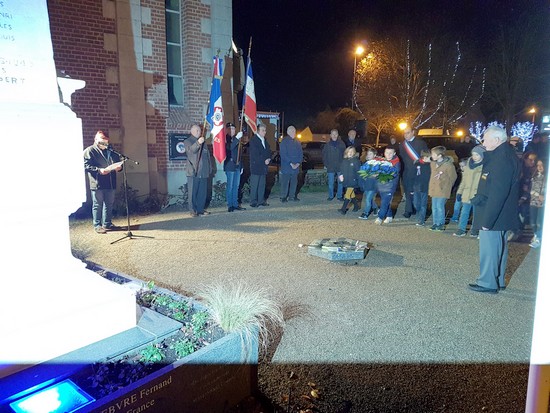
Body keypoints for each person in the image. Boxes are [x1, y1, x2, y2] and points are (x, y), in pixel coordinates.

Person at [468, 126, 521, 294]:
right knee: (499, 248)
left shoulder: (502, 159)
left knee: (490, 249)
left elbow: (498, 193)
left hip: (494, 212)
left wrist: (487, 220)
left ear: (497, 140)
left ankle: (487, 282)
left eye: (485, 139)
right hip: (501, 212)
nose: (483, 142)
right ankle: (497, 280)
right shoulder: (504, 154)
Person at [83, 130, 123, 234]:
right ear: (96, 139)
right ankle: (97, 225)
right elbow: (85, 165)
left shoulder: (110, 150)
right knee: (97, 204)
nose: (104, 142)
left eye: (106, 140)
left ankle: (107, 223)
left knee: (109, 204)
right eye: (102, 139)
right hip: (97, 182)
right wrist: (98, 170)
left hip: (110, 181)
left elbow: (117, 161)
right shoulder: (89, 151)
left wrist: (119, 168)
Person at [453, 146, 485, 237]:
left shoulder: (485, 167)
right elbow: (464, 180)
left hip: (477, 194)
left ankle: (475, 229)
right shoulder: (468, 165)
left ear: (482, 155)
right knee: (464, 212)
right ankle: (461, 229)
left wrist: (482, 194)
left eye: (477, 155)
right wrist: (459, 192)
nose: (474, 157)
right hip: (467, 193)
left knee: (476, 213)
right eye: (473, 154)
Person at [399, 126, 428, 218]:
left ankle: (417, 208)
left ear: (413, 132)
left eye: (407, 133)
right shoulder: (402, 145)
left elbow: (425, 156)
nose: (405, 135)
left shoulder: (421, 143)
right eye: (404, 133)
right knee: (408, 190)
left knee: (417, 191)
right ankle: (408, 210)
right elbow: (402, 158)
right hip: (407, 171)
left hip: (418, 171)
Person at [184, 124, 212, 217]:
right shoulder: (188, 141)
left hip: (203, 171)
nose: (199, 132)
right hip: (194, 171)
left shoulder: (204, 143)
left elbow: (207, 156)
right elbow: (191, 151)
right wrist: (198, 143)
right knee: (193, 192)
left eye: (199, 130)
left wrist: (209, 168)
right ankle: (193, 210)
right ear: (192, 131)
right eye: (197, 130)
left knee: (202, 193)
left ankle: (200, 209)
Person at [428, 145, 457, 232]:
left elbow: (453, 177)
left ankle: (441, 224)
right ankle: (435, 223)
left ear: (440, 155)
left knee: (440, 206)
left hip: (442, 190)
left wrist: (446, 185)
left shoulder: (448, 165)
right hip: (434, 189)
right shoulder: (433, 163)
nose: (432, 156)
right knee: (434, 207)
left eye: (433, 154)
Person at [374, 145, 401, 224]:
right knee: (385, 201)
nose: (388, 155)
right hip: (382, 185)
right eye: (387, 153)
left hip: (390, 186)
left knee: (385, 202)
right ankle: (389, 216)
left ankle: (380, 217)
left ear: (394, 153)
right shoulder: (382, 161)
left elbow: (394, 174)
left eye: (390, 153)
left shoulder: (396, 163)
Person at [248, 123, 272, 207]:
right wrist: (264, 160)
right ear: (258, 131)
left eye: (265, 130)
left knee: (262, 184)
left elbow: (268, 151)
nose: (265, 132)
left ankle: (261, 200)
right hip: (256, 166)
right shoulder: (254, 140)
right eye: (263, 130)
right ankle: (253, 201)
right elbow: (255, 154)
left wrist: (269, 158)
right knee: (255, 184)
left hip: (264, 166)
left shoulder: (265, 141)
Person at [223, 122, 245, 212]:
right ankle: (230, 205)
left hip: (237, 165)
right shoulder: (225, 139)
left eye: (233, 129)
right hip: (230, 165)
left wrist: (241, 166)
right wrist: (236, 138)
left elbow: (240, 153)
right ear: (227, 130)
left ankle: (235, 204)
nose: (232, 130)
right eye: (230, 129)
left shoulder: (237, 139)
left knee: (236, 186)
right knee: (230, 186)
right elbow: (230, 147)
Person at [279, 125, 303, 202]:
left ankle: (292, 196)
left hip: (296, 166)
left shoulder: (297, 142)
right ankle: (283, 197)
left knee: (294, 182)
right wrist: (291, 163)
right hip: (287, 166)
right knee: (285, 182)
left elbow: (301, 153)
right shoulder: (284, 141)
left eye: (295, 131)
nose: (294, 133)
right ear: (288, 132)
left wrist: (298, 163)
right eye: (292, 131)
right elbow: (283, 154)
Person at [322, 128, 346, 201]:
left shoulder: (342, 144)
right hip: (330, 168)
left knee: (340, 182)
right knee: (330, 183)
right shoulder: (327, 145)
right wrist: (326, 165)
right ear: (330, 135)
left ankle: (339, 196)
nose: (334, 135)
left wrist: (344, 164)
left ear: (337, 135)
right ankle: (331, 196)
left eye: (336, 134)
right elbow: (324, 156)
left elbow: (345, 155)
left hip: (340, 167)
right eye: (333, 134)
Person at [338, 146, 361, 214]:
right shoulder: (344, 161)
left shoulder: (356, 161)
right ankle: (356, 206)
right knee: (351, 194)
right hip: (346, 180)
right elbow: (342, 170)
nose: (350, 153)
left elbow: (358, 172)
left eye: (352, 152)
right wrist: (341, 176)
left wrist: (358, 181)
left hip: (353, 181)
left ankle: (343, 209)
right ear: (346, 152)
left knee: (347, 194)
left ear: (354, 153)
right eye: (349, 152)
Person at [358, 147, 380, 220]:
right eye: (368, 154)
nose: (368, 155)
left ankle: (365, 213)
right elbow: (361, 173)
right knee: (369, 198)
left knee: (367, 199)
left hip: (373, 185)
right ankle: (375, 208)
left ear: (374, 155)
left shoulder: (376, 164)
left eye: (370, 154)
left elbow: (378, 174)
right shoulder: (366, 163)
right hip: (366, 184)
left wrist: (373, 175)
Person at [529, 159, 546, 248]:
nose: (539, 167)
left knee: (539, 222)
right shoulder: (534, 177)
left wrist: (544, 197)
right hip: (533, 202)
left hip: (543, 204)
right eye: (538, 165)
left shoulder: (546, 177)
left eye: (541, 165)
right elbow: (530, 189)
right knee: (533, 222)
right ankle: (536, 235)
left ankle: (539, 238)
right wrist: (537, 195)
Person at [412, 150, 431, 227]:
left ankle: (421, 220)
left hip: (425, 187)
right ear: (425, 157)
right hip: (416, 186)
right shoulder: (417, 164)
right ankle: (419, 215)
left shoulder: (430, 165)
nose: (431, 159)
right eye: (430, 158)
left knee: (423, 204)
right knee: (416, 203)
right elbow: (413, 175)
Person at [450, 159, 467, 223]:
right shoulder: (459, 173)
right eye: (460, 166)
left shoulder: (470, 174)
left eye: (463, 166)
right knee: (457, 205)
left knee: (465, 207)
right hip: (459, 191)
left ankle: (462, 219)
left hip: (466, 192)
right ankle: (455, 217)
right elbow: (457, 182)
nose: (461, 168)